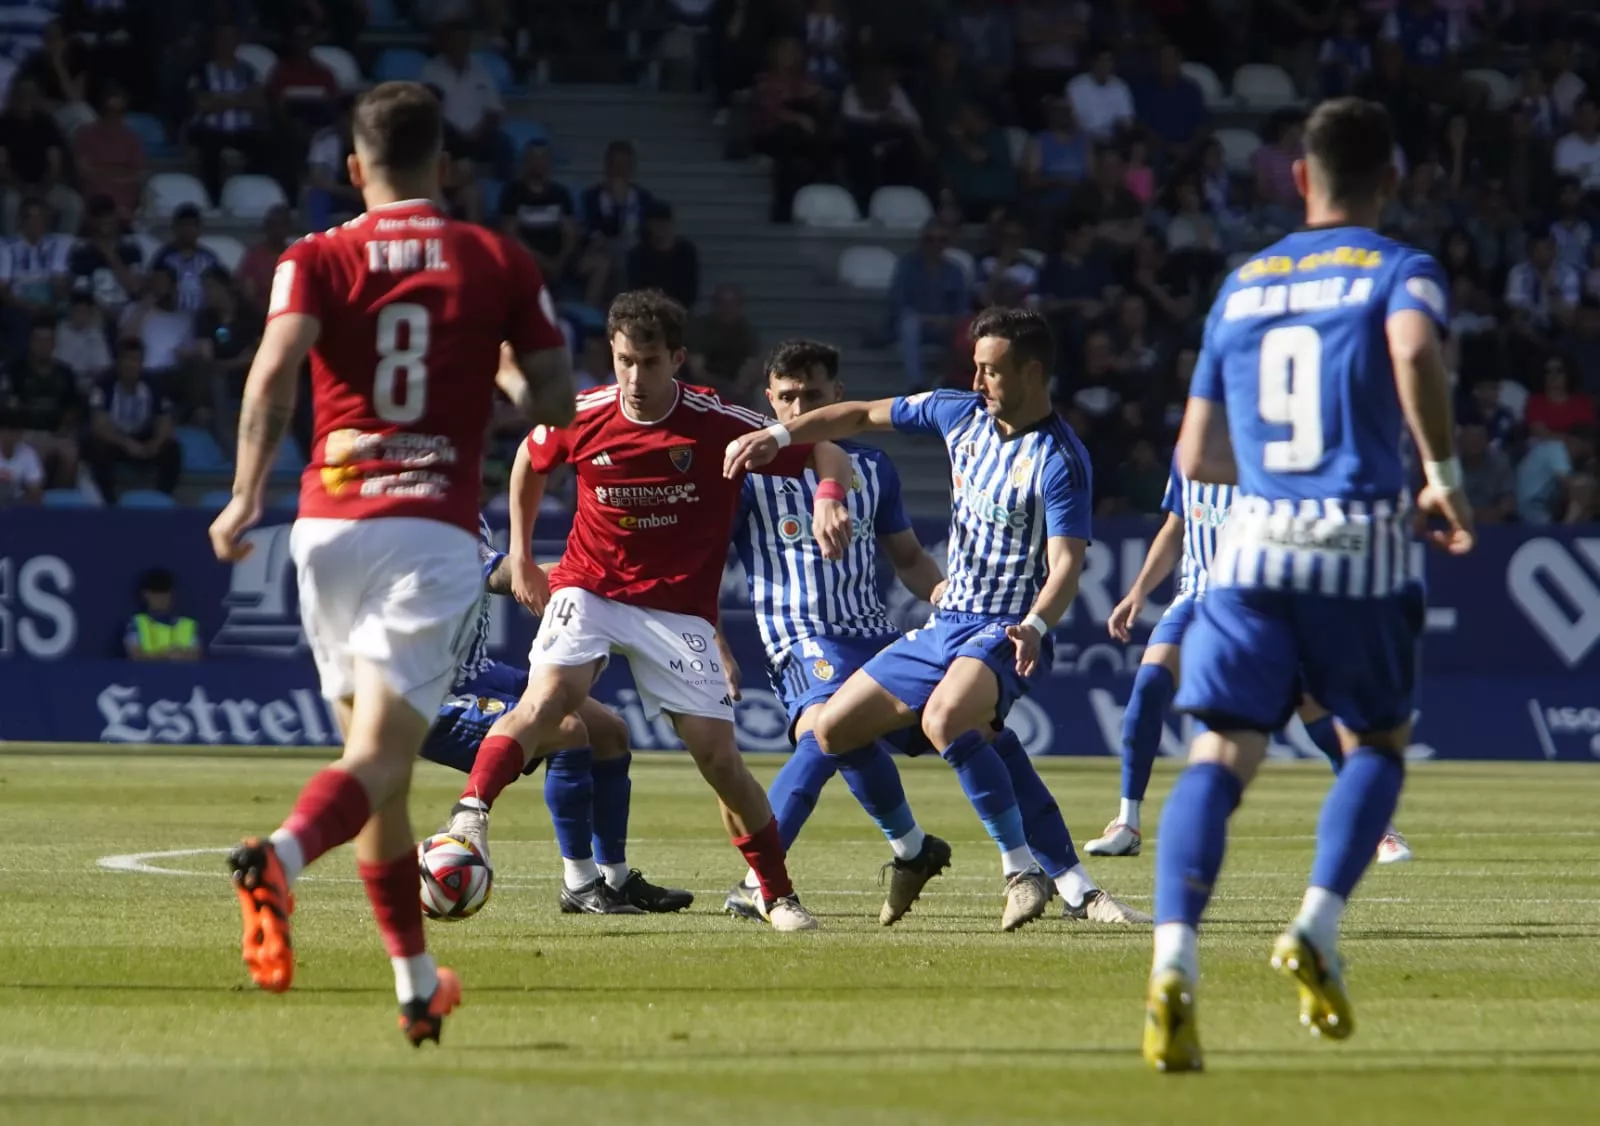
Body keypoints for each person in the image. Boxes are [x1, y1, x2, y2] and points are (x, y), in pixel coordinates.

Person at [205, 80, 574, 1045]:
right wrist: (500, 369)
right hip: (429, 534)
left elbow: (274, 368)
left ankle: (416, 983)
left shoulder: (314, 256)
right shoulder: (494, 258)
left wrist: (246, 494)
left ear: (354, 167)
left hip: (325, 530)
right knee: (377, 760)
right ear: (443, 165)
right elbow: (558, 409)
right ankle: (281, 855)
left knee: (379, 774)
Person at [1140, 97, 1474, 1074]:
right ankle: (1317, 927)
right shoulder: (1399, 268)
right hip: (1353, 548)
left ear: (1298, 178)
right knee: (1374, 740)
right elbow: (1412, 349)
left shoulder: (1240, 285)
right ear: (1394, 180)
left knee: (1219, 751)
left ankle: (1173, 961)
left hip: (1245, 553)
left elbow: (1197, 453)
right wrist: (1440, 477)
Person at [435, 289, 858, 934]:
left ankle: (777, 893)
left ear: (678, 359)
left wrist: (829, 492)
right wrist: (520, 553)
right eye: (625, 360)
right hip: (589, 588)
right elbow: (529, 458)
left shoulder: (718, 422)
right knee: (548, 701)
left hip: (676, 610)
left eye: (650, 362)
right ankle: (471, 814)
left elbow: (826, 443)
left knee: (720, 761)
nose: (635, 377)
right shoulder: (585, 414)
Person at [724, 308, 1149, 931]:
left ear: (1032, 372)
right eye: (974, 368)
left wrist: (1034, 625)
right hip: (945, 623)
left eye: (991, 371)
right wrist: (782, 438)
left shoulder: (1060, 461)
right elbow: (861, 414)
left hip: (1004, 628)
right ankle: (1066, 884)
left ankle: (1020, 870)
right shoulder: (958, 413)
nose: (978, 383)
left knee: (948, 717)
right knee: (835, 731)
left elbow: (1065, 568)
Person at [721, 339, 953, 925]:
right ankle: (759, 879)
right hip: (798, 636)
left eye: (813, 396)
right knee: (825, 730)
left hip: (873, 634)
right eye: (787, 397)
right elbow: (704, 566)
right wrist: (712, 639)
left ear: (838, 398)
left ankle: (1031, 868)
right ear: (768, 400)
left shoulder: (873, 469)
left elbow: (907, 557)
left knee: (972, 723)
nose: (798, 409)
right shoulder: (747, 473)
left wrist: (947, 595)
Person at [1090, 457, 1412, 866]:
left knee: (1314, 709)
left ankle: (1380, 826)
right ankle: (1126, 823)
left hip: (1257, 603)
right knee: (1150, 683)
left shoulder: (1267, 450)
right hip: (1196, 598)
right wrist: (1138, 591)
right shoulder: (1188, 452)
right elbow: (1176, 526)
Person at [420, 510, 693, 915]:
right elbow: (500, 573)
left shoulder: (462, 510)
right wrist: (592, 573)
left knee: (610, 731)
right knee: (566, 729)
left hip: (476, 672)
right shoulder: (415, 522)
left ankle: (614, 880)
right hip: (429, 698)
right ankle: (580, 884)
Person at [124, 567, 201, 661]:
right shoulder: (136, 623)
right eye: (156, 593)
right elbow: (135, 654)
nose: (161, 598)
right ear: (146, 595)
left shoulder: (188, 625)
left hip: (182, 675)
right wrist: (164, 656)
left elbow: (196, 655)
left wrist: (181, 655)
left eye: (165, 593)